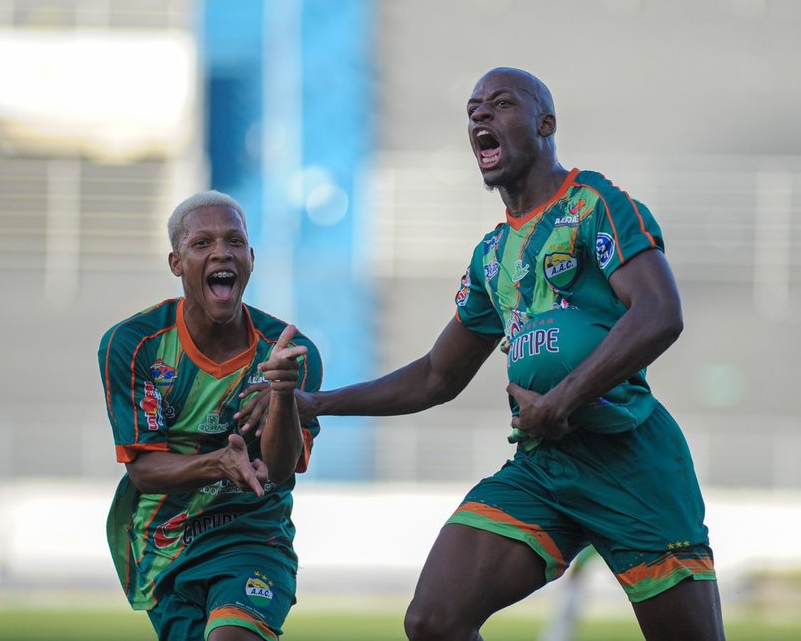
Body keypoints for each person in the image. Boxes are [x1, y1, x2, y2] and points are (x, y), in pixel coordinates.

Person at [244, 66, 725, 640]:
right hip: (546, 467)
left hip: (632, 459)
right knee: (434, 620)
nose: (480, 115)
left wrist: (561, 402)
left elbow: (659, 313)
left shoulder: (596, 203)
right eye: (473, 109)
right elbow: (435, 375)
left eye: (501, 104)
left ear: (545, 123)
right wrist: (316, 404)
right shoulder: (492, 256)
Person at [98, 190, 322, 641]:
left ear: (251, 258)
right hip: (166, 542)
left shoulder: (290, 353)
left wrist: (281, 393)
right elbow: (143, 470)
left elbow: (279, 470)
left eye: (234, 241)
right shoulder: (134, 344)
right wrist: (218, 464)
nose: (222, 251)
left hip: (253, 535)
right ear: (176, 262)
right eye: (202, 244)